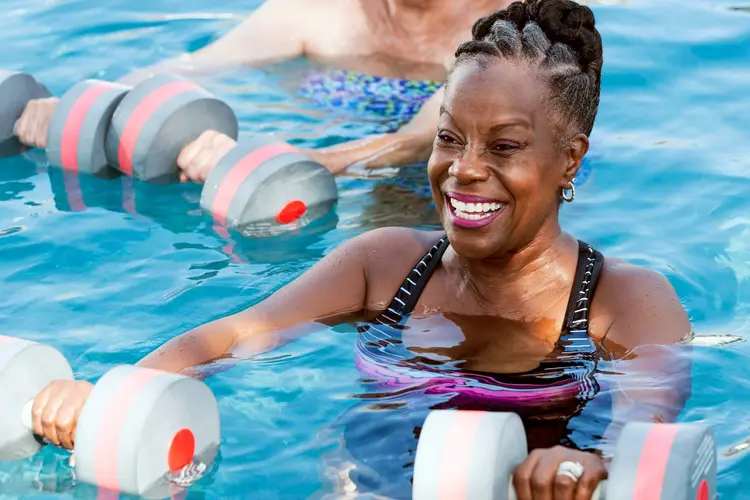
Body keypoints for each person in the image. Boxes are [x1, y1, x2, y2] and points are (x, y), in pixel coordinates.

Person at [29, 1, 692, 499]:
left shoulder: (623, 301)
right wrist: (116, 391)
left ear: (569, 160)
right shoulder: (385, 264)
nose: (463, 169)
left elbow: (645, 419)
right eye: (449, 138)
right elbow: (235, 335)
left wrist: (584, 462)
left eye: (504, 147)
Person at [13, 0, 515, 181]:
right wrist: (80, 105)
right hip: (316, 151)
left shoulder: (504, 26)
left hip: (426, 178)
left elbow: (413, 141)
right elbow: (199, 65)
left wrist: (291, 160)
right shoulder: (320, 11)